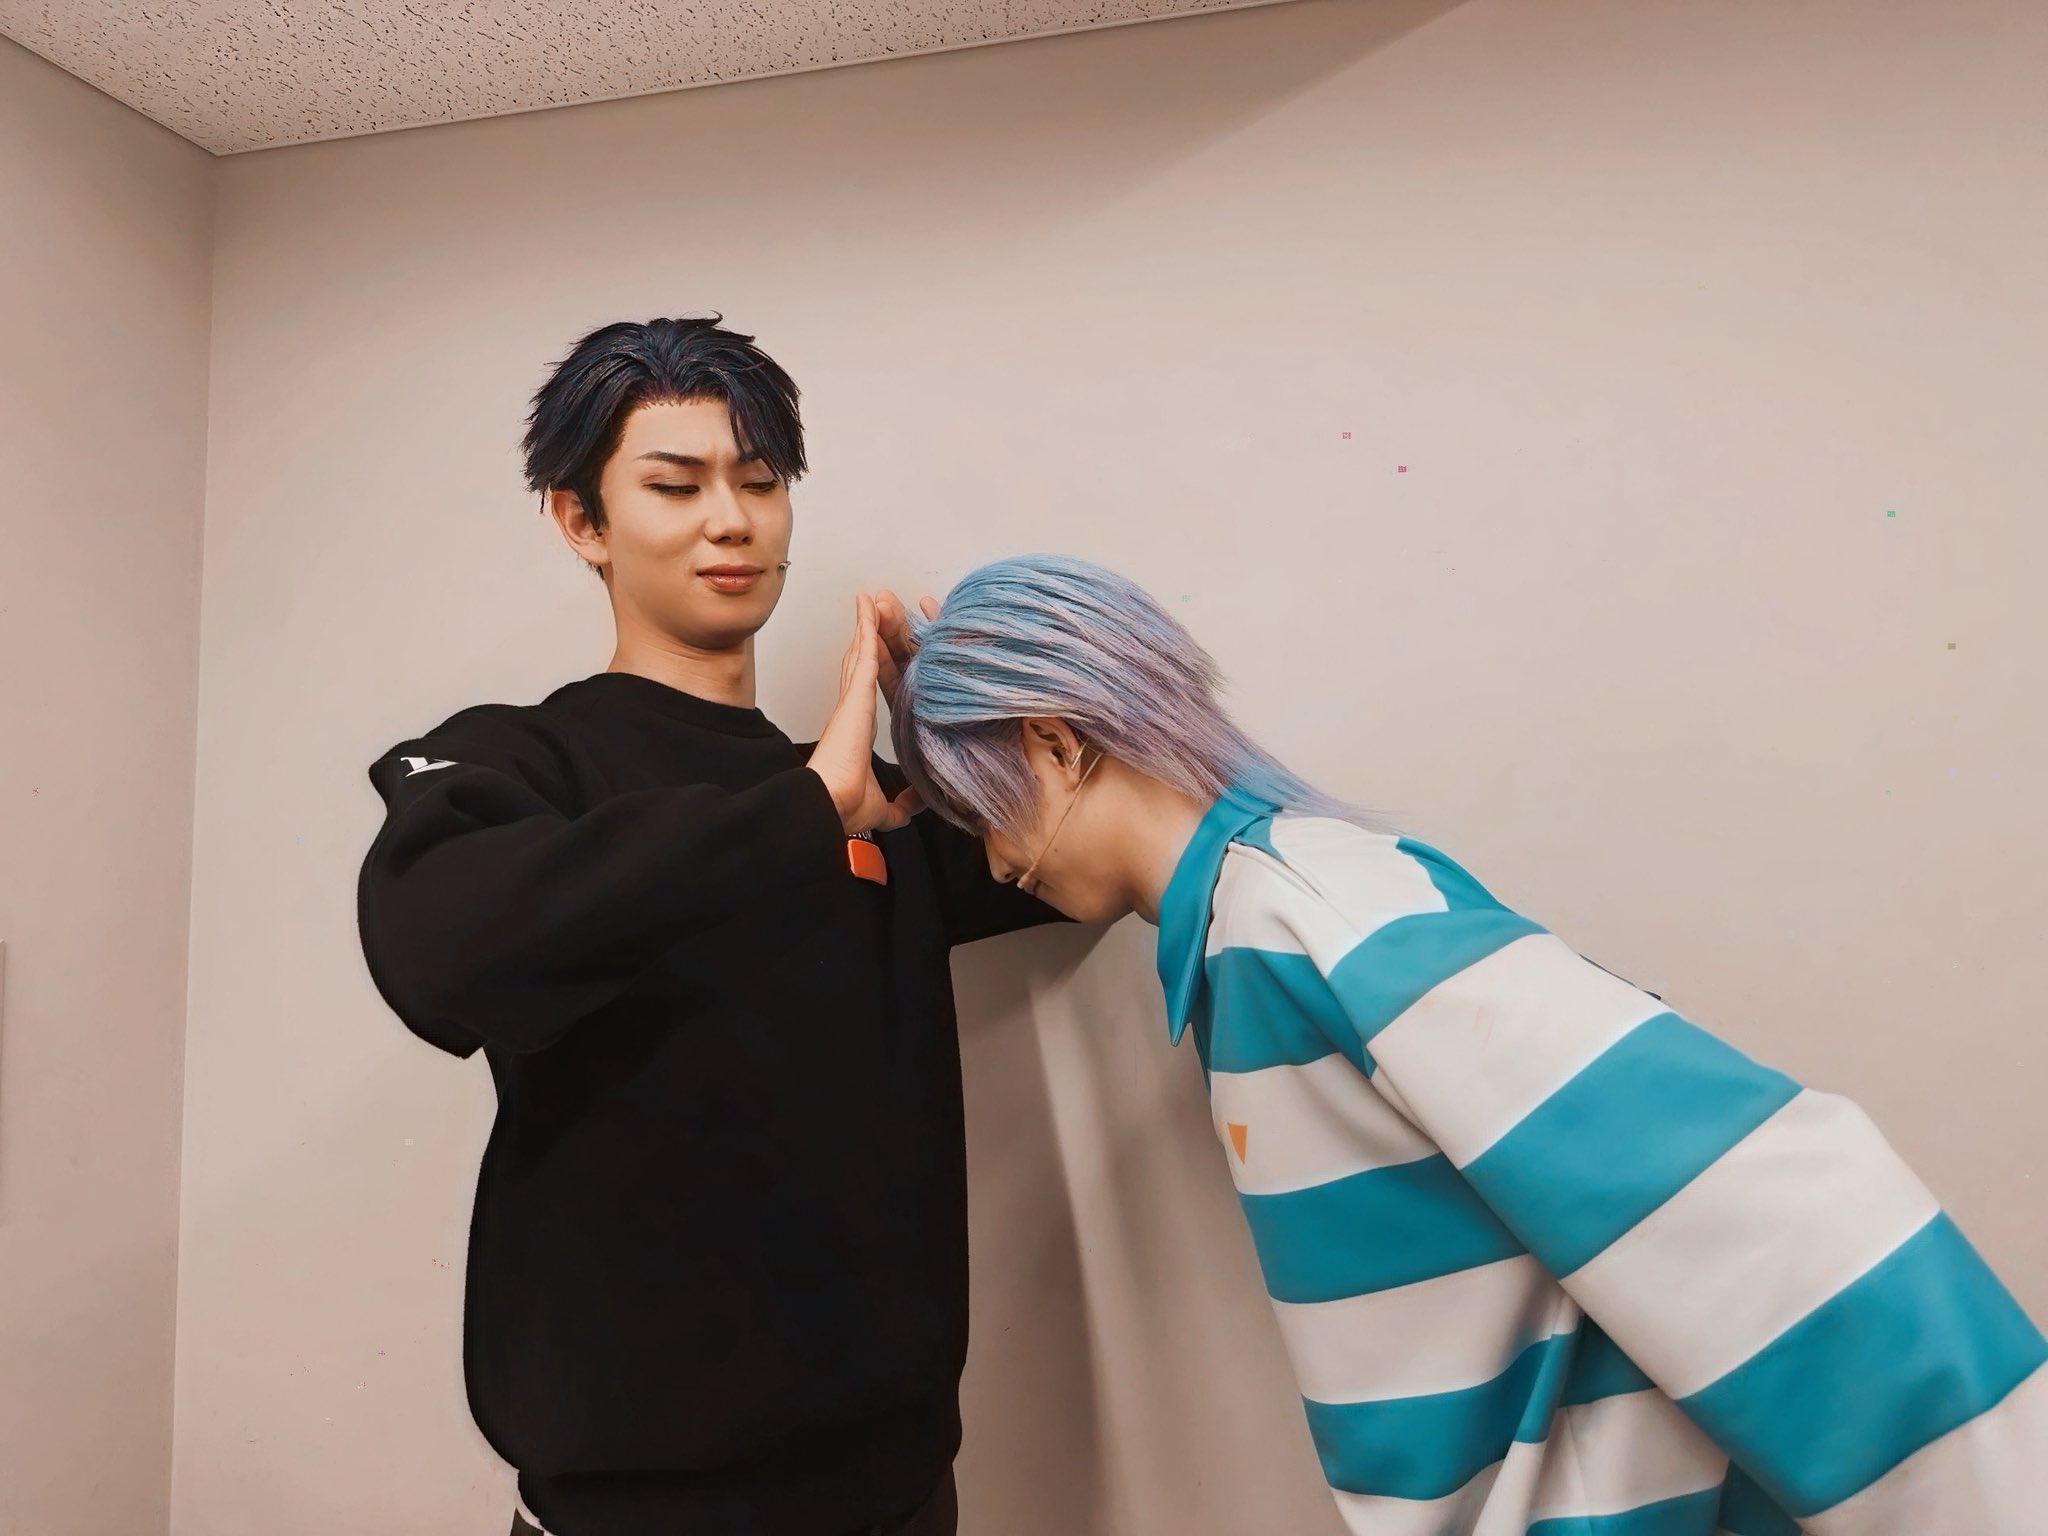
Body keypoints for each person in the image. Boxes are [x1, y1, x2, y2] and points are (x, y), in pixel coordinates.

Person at [887, 552, 2047, 1535]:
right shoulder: (1257, 933)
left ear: (1055, 745)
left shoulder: (1302, 926)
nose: (993, 863)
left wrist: (1980, 1478)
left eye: (981, 813)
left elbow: (1752, 1183)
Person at [356, 318, 1056, 1536]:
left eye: (760, 482)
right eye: (674, 486)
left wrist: (961, 740)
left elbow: (1072, 863)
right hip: (631, 1508)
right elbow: (441, 950)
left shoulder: (865, 796)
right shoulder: (519, 762)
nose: (730, 521)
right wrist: (805, 812)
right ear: (580, 521)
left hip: (899, 1494)